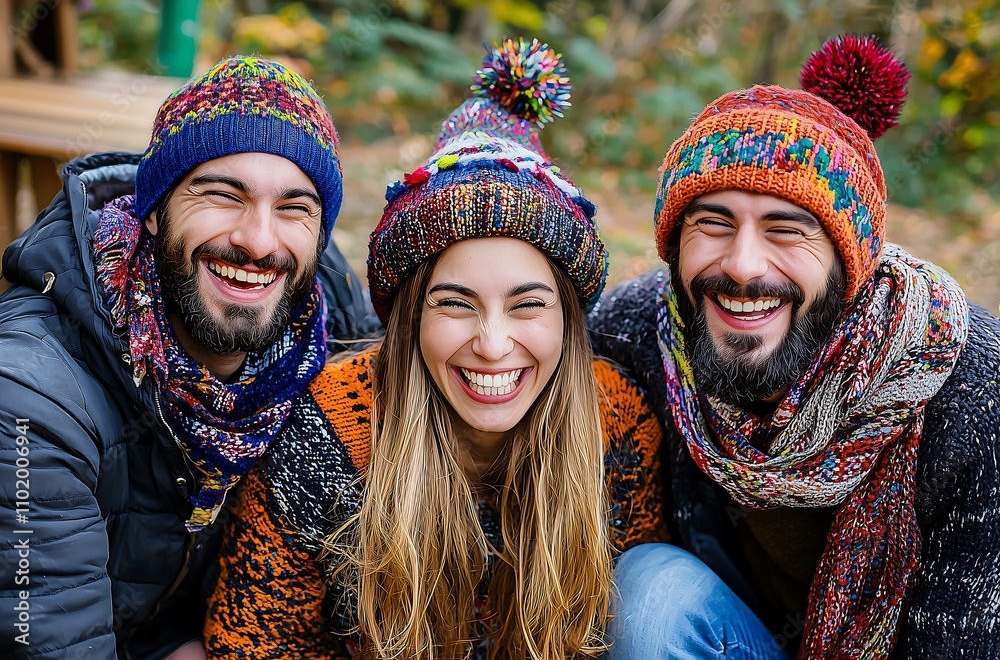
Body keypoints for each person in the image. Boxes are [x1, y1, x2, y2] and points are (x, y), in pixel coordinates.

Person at [203, 39, 676, 660]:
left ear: (568, 319)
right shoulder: (329, 431)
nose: (492, 344)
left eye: (528, 304)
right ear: (408, 318)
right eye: (455, 303)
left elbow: (627, 636)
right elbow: (256, 644)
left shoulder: (612, 423)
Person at [588, 35, 1000, 659]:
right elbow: (514, 327)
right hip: (726, 639)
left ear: (850, 263)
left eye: (787, 230)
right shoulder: (644, 331)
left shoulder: (969, 390)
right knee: (651, 595)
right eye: (714, 223)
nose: (744, 266)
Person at [0, 56, 373, 659]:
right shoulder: (32, 396)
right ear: (154, 209)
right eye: (224, 195)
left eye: (294, 208)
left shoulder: (327, 323)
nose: (258, 240)